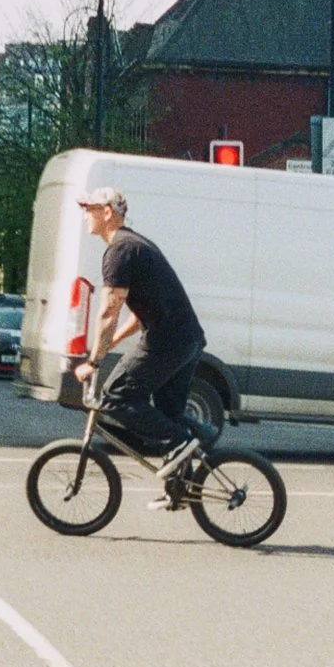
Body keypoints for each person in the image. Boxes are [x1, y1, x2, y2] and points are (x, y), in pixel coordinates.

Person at [71, 187, 214, 506]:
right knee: (168, 412)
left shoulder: (119, 251)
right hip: (187, 340)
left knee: (116, 396)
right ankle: (184, 477)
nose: (84, 216)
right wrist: (114, 345)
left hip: (168, 340)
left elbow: (109, 312)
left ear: (107, 212)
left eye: (89, 209)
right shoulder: (135, 244)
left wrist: (94, 361)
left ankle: (182, 441)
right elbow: (137, 315)